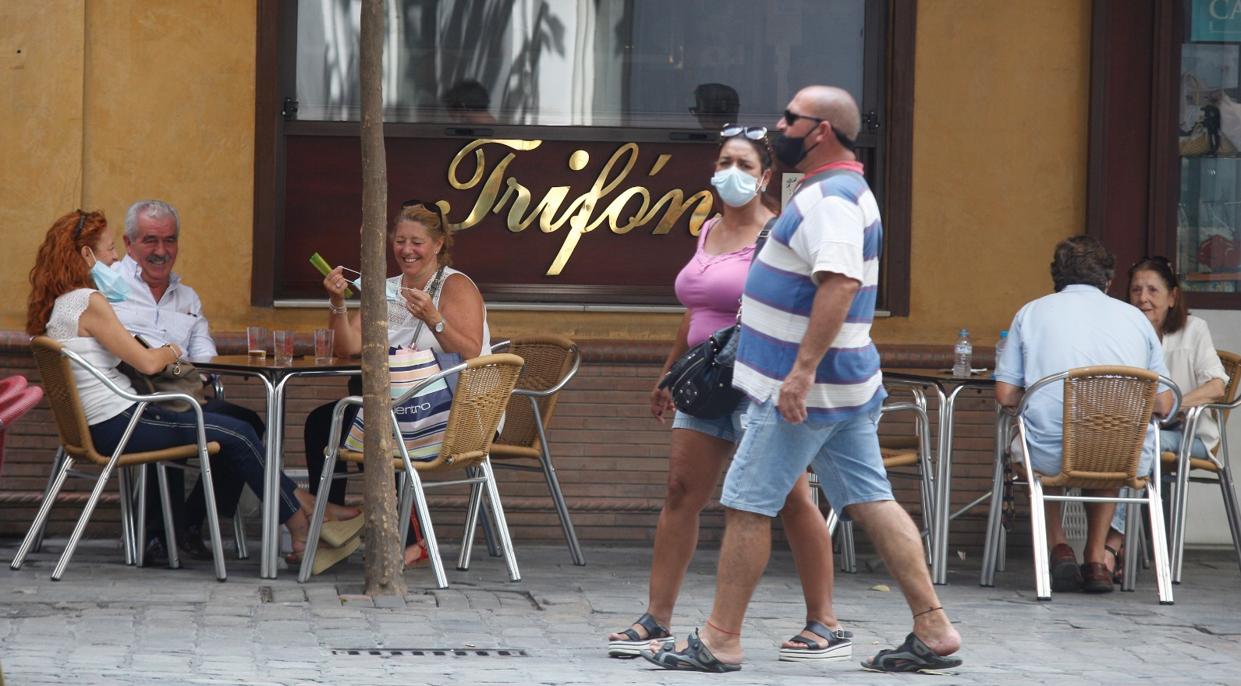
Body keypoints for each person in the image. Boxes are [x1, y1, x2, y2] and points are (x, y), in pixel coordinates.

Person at [641, 85, 961, 674]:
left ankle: (721, 639)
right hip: (841, 384)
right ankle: (933, 626)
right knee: (871, 499)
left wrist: (801, 372)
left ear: (821, 131)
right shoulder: (836, 190)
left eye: (791, 118)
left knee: (747, 504)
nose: (780, 126)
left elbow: (838, 282)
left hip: (802, 390)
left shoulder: (831, 199)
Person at [606, 125, 846, 662]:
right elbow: (695, 311)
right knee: (680, 491)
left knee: (790, 498)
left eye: (744, 165)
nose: (731, 173)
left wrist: (799, 376)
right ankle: (657, 618)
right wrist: (669, 372)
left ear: (765, 176)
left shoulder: (779, 233)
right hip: (705, 381)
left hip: (759, 382)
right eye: (724, 162)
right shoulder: (709, 228)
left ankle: (825, 622)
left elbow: (811, 305)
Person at [25, 210, 342, 565]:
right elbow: (147, 363)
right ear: (86, 255)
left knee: (238, 427)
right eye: (110, 248)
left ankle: (300, 510)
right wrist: (172, 350)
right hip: (120, 421)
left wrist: (161, 355)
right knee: (237, 433)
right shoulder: (89, 301)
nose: (115, 258)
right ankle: (300, 524)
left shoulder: (65, 303)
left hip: (105, 422)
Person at [306, 201, 492, 567]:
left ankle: (411, 538)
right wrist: (337, 301)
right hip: (399, 408)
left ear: (438, 244)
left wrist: (434, 318)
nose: (407, 250)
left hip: (457, 411)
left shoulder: (454, 285)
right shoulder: (385, 289)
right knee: (322, 424)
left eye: (417, 242)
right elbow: (347, 347)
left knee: (373, 425)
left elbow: (472, 352)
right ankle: (330, 523)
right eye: (400, 241)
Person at [994, 237, 1174, 594]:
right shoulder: (1136, 320)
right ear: (1108, 280)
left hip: (1048, 454)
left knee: (1036, 436)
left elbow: (1004, 394)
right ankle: (1095, 559)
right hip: (1123, 456)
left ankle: (1058, 546)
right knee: (1109, 438)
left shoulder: (1031, 313)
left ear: (1056, 276)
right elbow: (1165, 403)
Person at [109, 199, 285, 561]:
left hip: (183, 392)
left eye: (170, 240)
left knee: (247, 422)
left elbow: (206, 356)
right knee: (170, 419)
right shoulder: (111, 289)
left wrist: (187, 374)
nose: (161, 251)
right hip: (130, 401)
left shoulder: (187, 297)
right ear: (128, 243)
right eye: (150, 240)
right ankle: (156, 537)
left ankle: (192, 521)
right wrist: (176, 368)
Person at [1104, 256, 1228, 580]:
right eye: (1135, 290)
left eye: (1152, 290)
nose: (1142, 298)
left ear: (1172, 297)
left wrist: (1173, 406)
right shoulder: (1126, 333)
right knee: (1108, 445)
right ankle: (1118, 544)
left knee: (1138, 445)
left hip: (1191, 436)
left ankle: (1111, 545)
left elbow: (1217, 386)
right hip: (1140, 432)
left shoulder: (1193, 330)